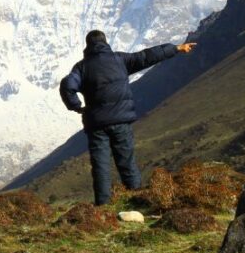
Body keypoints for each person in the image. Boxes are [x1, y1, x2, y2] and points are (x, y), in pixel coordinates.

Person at [59, 30, 196, 205]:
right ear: (105, 42)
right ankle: (137, 201)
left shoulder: (82, 67)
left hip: (97, 124)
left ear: (88, 46)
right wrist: (176, 48)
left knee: (101, 166)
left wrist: (76, 107)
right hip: (121, 121)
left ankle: (103, 205)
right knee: (127, 162)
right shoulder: (120, 60)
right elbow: (148, 56)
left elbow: (67, 85)